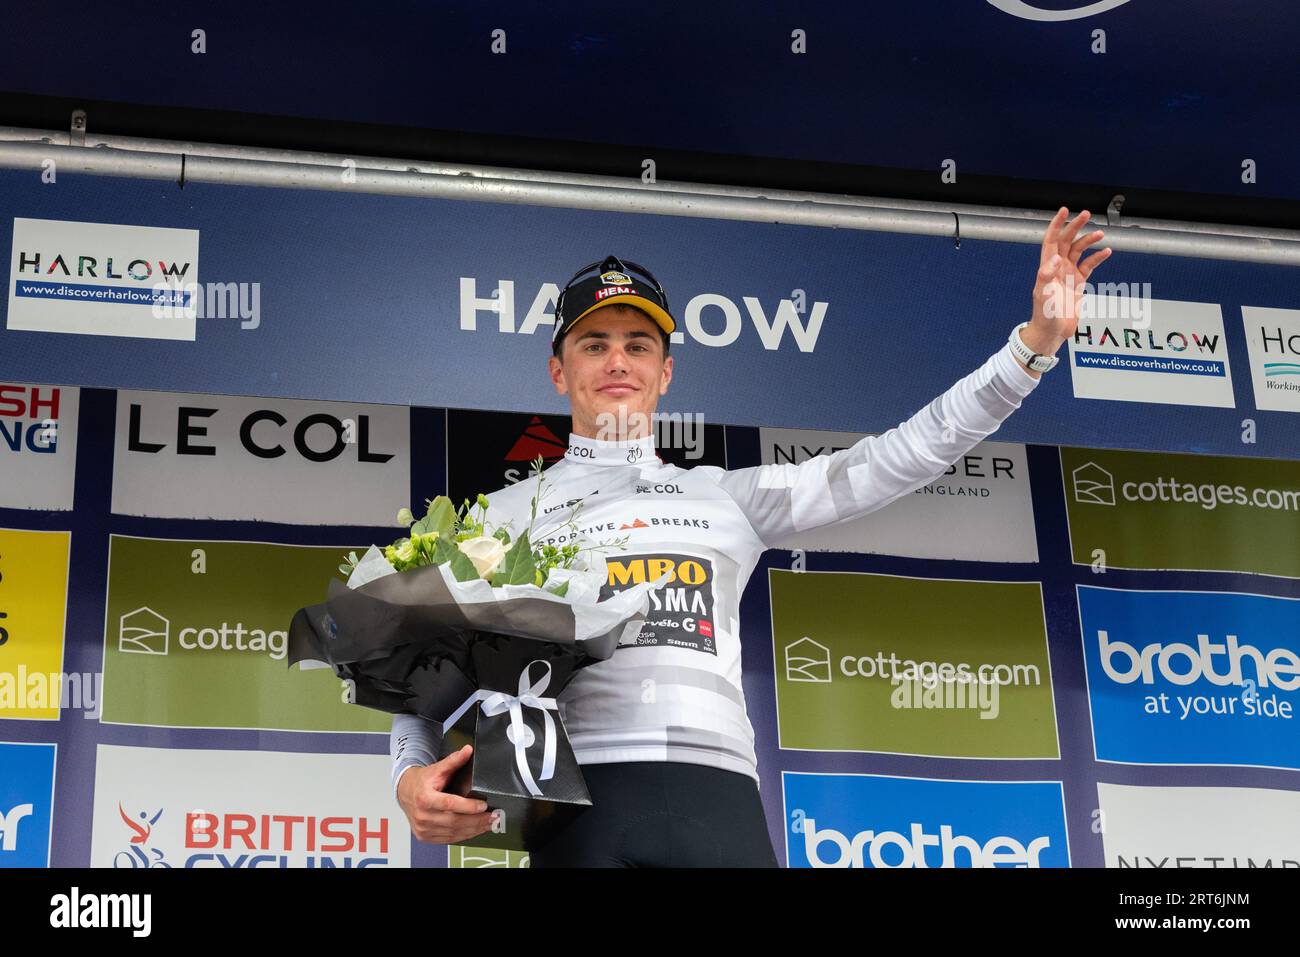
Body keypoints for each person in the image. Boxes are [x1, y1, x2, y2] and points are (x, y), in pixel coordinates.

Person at [390, 207, 1112, 866]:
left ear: (665, 372)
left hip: (721, 800)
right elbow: (415, 686)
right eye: (594, 343)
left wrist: (1031, 349)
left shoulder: (727, 496)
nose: (617, 361)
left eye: (638, 344)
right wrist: (408, 780)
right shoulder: (496, 520)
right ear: (558, 369)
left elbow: (898, 457)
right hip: (577, 812)